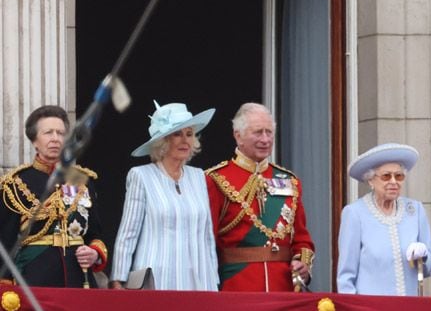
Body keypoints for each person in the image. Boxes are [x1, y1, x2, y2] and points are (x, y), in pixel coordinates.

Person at [110, 102, 219, 291]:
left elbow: (207, 234)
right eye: (177, 134)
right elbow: (128, 233)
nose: (185, 140)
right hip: (157, 279)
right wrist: (118, 279)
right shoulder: (141, 176)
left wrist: (213, 277)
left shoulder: (199, 176)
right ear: (162, 140)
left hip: (199, 280)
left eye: (189, 134)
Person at [205, 103, 314, 292]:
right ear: (238, 136)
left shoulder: (289, 181)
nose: (265, 139)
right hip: (236, 285)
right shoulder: (216, 179)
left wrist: (302, 265)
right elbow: (207, 242)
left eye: (269, 132)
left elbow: (302, 238)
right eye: (258, 132)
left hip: (282, 287)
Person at [0, 105, 108, 287]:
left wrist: (94, 253)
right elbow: (5, 243)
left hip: (79, 279)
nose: (55, 139)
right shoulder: (15, 183)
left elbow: (95, 234)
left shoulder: (82, 180)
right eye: (48, 133)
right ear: (34, 140)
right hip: (35, 280)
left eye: (61, 133)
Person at [337, 143, 431, 295]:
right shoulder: (355, 213)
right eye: (386, 176)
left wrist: (423, 256)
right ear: (370, 180)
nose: (393, 182)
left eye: (399, 176)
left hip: (407, 310)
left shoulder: (415, 210)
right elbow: (346, 277)